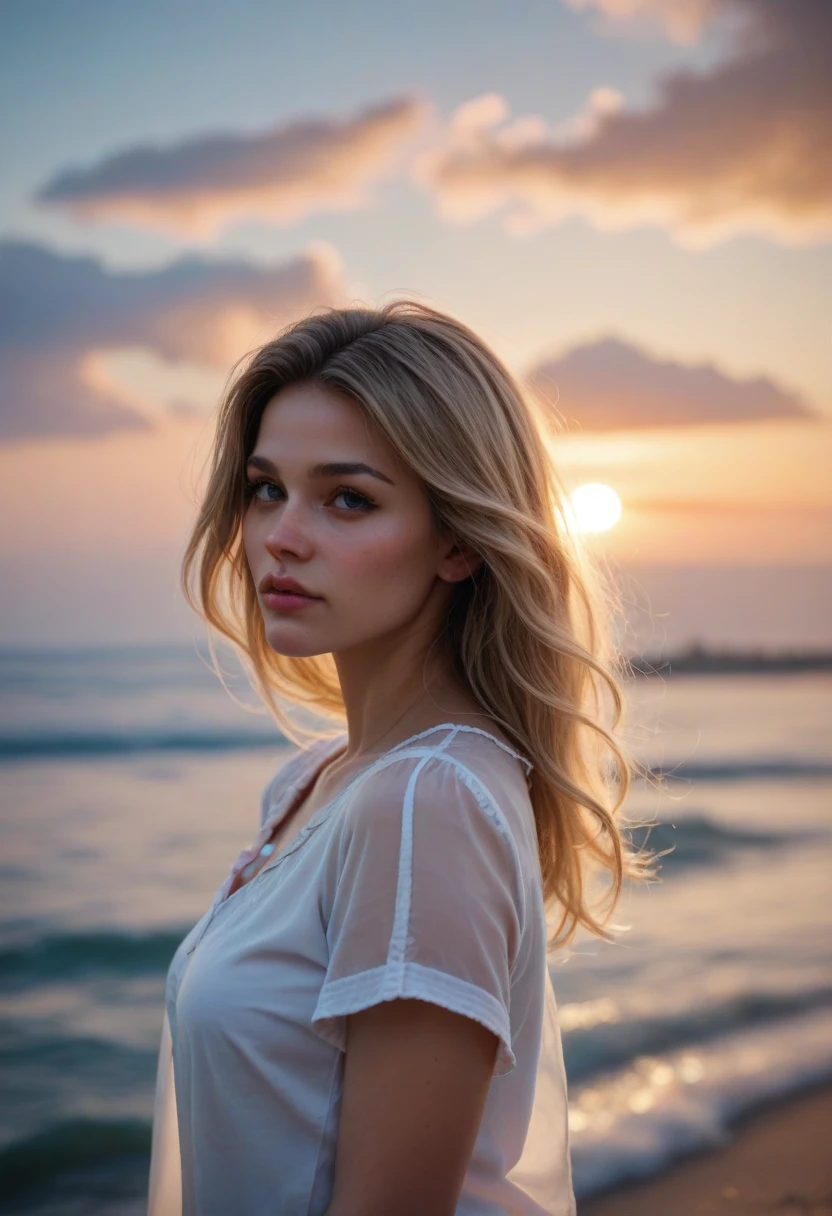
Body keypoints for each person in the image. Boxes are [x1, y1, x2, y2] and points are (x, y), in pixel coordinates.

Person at [146, 300, 651, 1216]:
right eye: (267, 489)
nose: (281, 537)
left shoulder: (427, 800)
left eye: (348, 498)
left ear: (458, 539)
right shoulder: (315, 781)